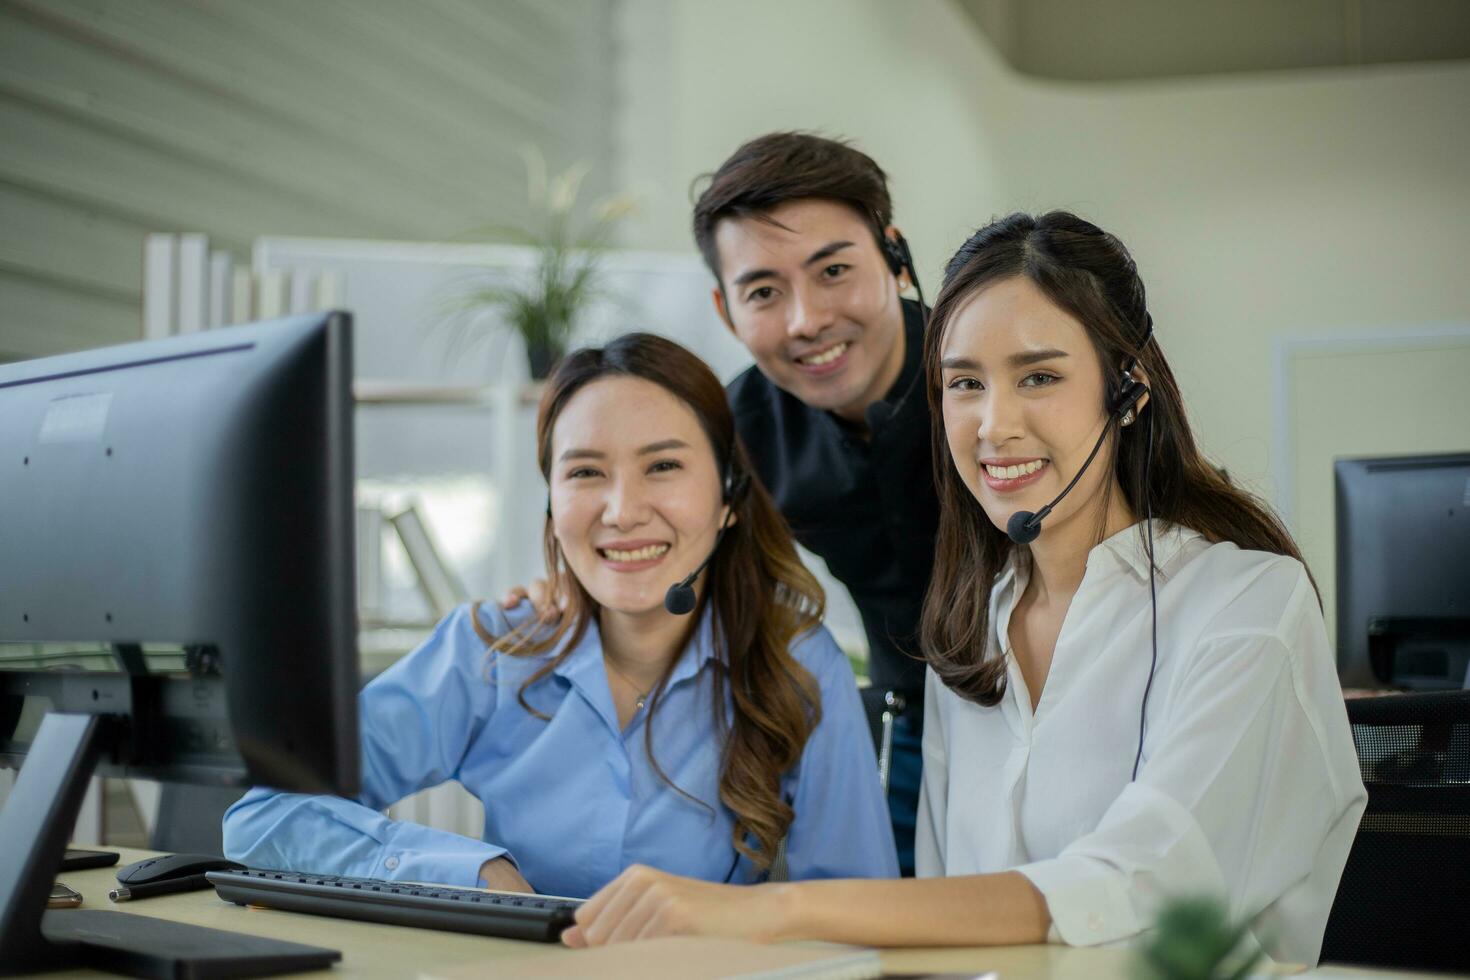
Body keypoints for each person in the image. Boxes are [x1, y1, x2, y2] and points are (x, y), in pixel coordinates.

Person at [561, 213, 1366, 966]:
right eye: (964, 384)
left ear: (1129, 391)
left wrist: (779, 908)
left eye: (1038, 376)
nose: (993, 424)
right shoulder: (970, 629)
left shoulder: (1247, 607)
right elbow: (948, 911)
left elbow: (1142, 884)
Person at [223, 333, 898, 898]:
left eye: (662, 465)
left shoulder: (796, 663)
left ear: (728, 499)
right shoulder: (494, 648)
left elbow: (856, 904)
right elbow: (264, 814)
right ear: (552, 503)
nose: (623, 511)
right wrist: (474, 873)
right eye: (585, 473)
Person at [511, 132, 937, 873]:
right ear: (726, 308)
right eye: (764, 291)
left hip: (1071, 720)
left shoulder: (984, 378)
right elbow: (665, 557)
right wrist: (572, 597)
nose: (805, 320)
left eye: (834, 270)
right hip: (907, 738)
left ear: (894, 256)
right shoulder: (732, 438)